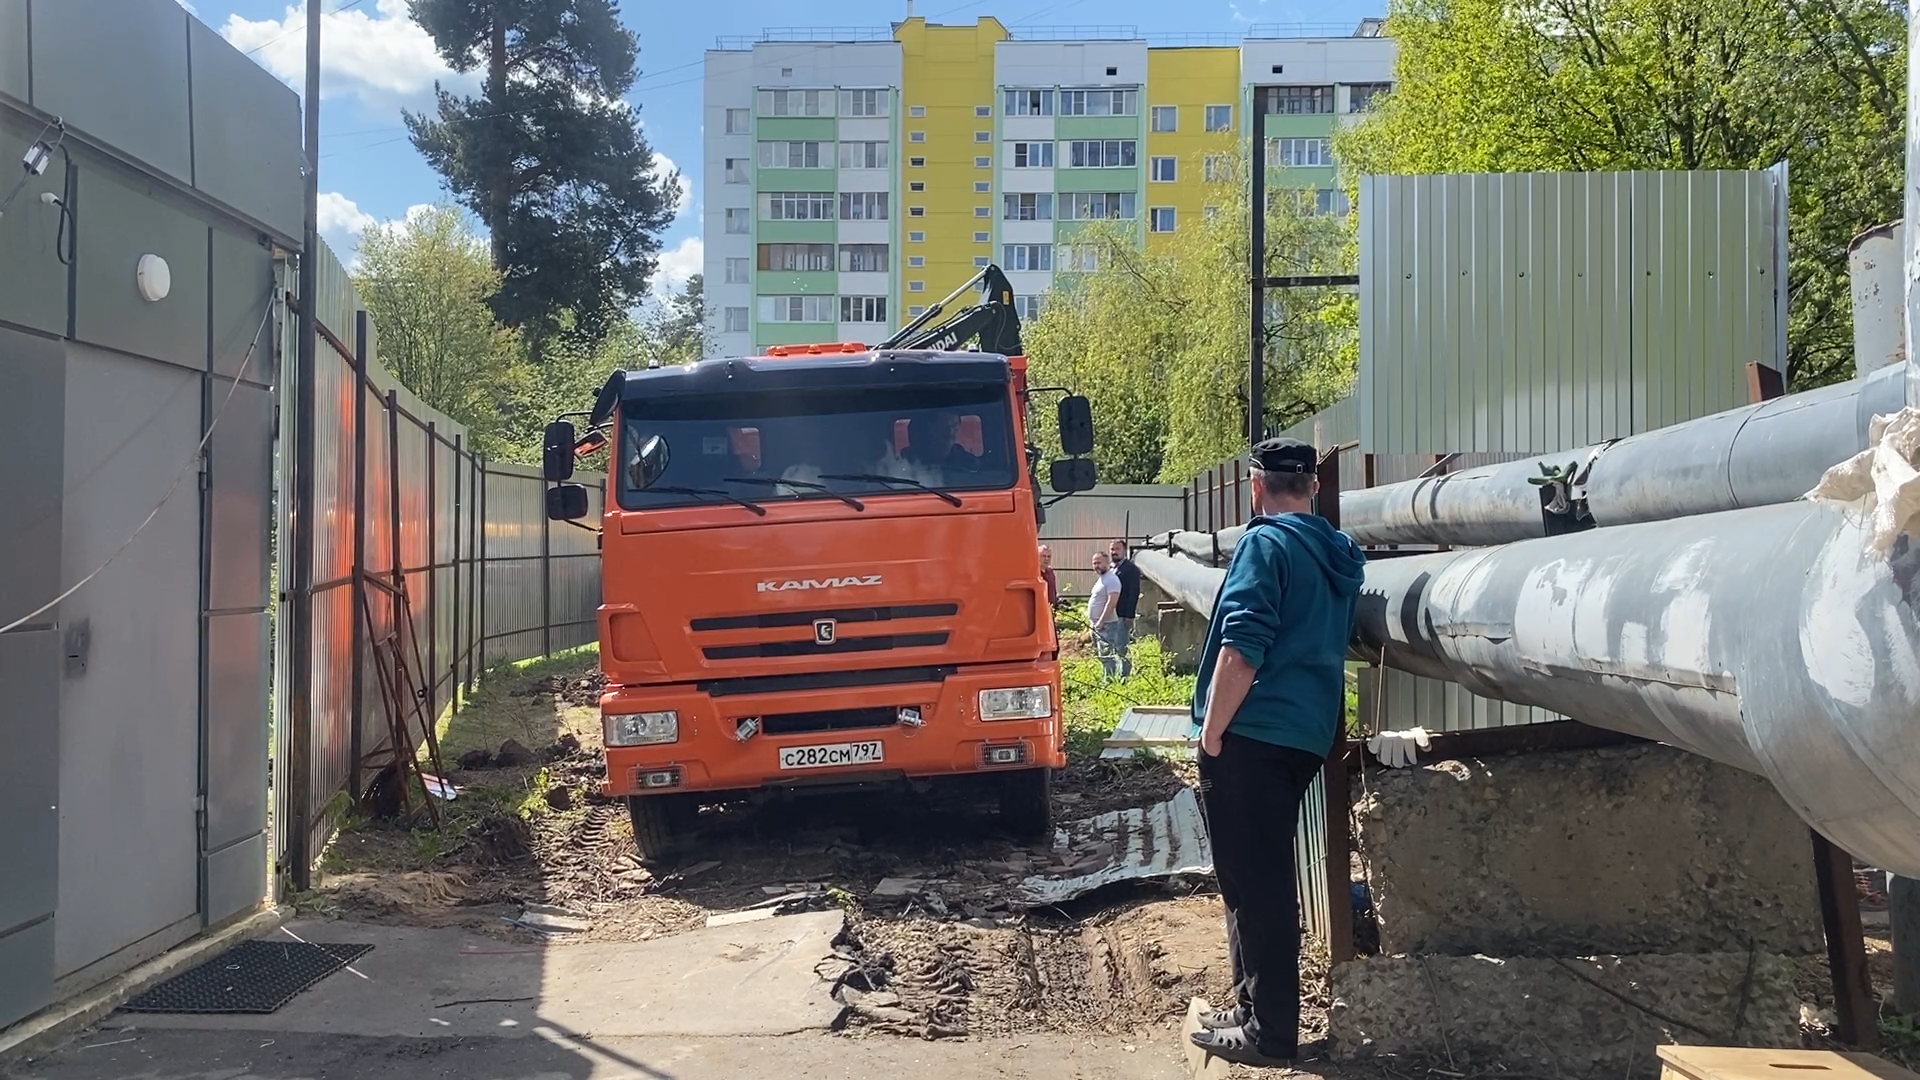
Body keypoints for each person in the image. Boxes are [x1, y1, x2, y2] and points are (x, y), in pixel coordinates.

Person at [1186, 437, 1366, 1069]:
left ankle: (1270, 1032)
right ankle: (1250, 1008)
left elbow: (1242, 646)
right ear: (1313, 487)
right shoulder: (1337, 551)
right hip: (1305, 734)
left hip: (1254, 733)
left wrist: (1212, 733)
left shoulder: (1265, 544)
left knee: (1254, 881)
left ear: (1256, 486)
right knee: (1253, 875)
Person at [1087, 552, 1125, 681]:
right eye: (1094, 563)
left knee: (1107, 654)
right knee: (1101, 654)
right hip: (1098, 624)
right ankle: (1107, 677)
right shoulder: (1102, 579)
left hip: (1106, 625)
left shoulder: (1112, 580)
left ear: (1107, 563)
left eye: (1099, 562)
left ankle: (1110, 680)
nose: (1096, 566)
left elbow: (1111, 603)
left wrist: (1101, 621)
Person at [1107, 539, 1141, 680]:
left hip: (1122, 614)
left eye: (1117, 549)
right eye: (1112, 549)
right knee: (1111, 644)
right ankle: (1112, 674)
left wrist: (1129, 615)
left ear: (1124, 551)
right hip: (1111, 614)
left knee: (1122, 646)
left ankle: (1124, 675)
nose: (1114, 552)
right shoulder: (1110, 568)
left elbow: (1134, 593)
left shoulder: (1130, 569)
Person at [1038, 544, 1060, 609]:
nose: (1046, 559)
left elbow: (1053, 590)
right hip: (1040, 608)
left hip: (1052, 608)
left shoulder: (1050, 571)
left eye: (1049, 556)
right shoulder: (1035, 573)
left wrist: (1057, 600)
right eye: (1043, 556)